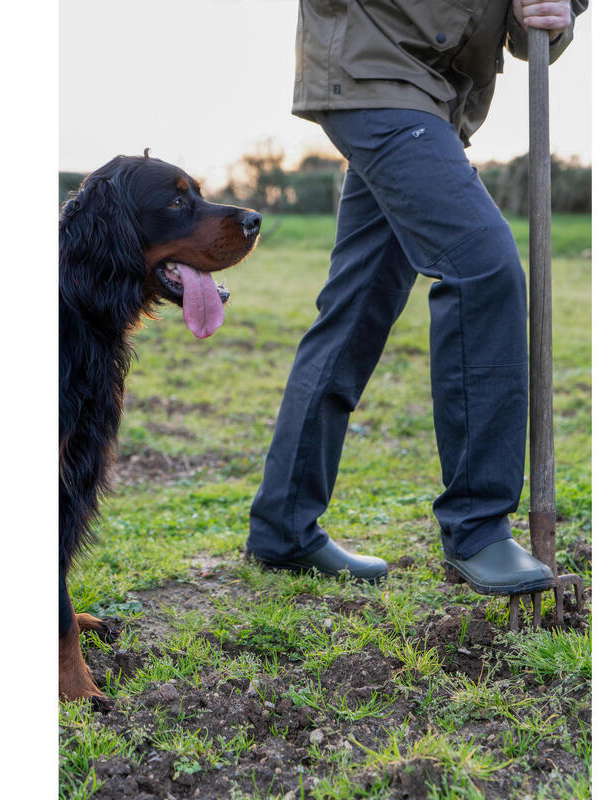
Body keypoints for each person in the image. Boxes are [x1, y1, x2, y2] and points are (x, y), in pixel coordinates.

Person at [246, 0, 588, 594]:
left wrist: (558, 12)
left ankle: (284, 526)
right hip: (373, 69)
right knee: (482, 266)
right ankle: (477, 527)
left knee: (355, 310)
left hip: (436, 94)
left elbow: (532, 27)